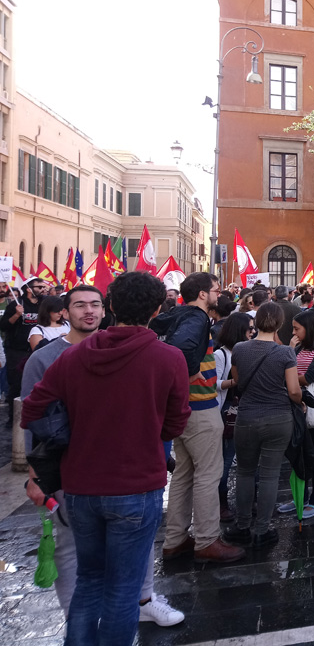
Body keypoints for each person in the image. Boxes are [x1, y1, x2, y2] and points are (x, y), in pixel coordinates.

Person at [22, 272, 191, 644]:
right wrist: (149, 433)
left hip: (82, 485)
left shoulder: (73, 356)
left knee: (90, 581)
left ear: (110, 306)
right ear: (158, 309)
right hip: (136, 484)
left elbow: (31, 409)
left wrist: (69, 435)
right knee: (123, 589)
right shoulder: (169, 358)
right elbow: (176, 422)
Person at [154, 272, 245, 564]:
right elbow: (179, 353)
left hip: (181, 409)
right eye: (216, 290)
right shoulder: (196, 318)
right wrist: (187, 376)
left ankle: (176, 538)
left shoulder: (174, 315)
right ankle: (207, 539)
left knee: (183, 473)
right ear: (203, 294)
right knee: (208, 473)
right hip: (199, 407)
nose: (220, 295)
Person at [223, 302, 301, 548]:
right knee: (269, 475)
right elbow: (293, 390)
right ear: (279, 324)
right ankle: (262, 529)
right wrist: (301, 402)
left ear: (255, 323)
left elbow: (237, 379)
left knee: (245, 472)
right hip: (278, 418)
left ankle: (243, 525)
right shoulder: (285, 353)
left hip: (246, 417)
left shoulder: (240, 348)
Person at [281, 310, 314, 519]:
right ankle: (300, 496)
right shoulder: (298, 347)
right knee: (297, 455)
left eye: (297, 328)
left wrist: (290, 375)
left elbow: (309, 377)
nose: (293, 332)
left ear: (308, 328)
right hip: (296, 409)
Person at [214, 312, 254, 524]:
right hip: (228, 409)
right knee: (226, 459)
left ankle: (249, 502)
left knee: (248, 458)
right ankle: (222, 505)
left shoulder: (246, 350)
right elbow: (215, 383)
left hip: (246, 407)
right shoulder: (221, 354)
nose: (252, 332)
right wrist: (236, 381)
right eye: (249, 328)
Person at [1, 276, 47, 426]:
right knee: (17, 383)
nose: (43, 289)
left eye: (43, 287)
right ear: (29, 289)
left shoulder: (45, 305)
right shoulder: (16, 304)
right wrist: (16, 315)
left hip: (39, 348)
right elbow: (4, 326)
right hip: (17, 350)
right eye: (39, 287)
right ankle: (13, 418)